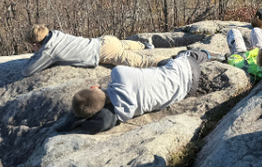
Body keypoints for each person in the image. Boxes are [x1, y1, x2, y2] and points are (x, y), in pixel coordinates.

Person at [57, 50, 209, 134]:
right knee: (185, 54)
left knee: (165, 64)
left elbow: (98, 122)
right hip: (186, 68)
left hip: (186, 91)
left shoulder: (120, 113)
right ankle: (207, 55)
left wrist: (75, 121)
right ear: (94, 88)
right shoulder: (118, 73)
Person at [22, 25, 160, 76]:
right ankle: (144, 46)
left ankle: (165, 61)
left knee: (138, 61)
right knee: (122, 44)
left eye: (32, 46)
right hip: (104, 40)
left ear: (36, 44)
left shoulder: (48, 51)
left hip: (104, 52)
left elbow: (27, 71)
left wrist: (37, 53)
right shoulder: (55, 34)